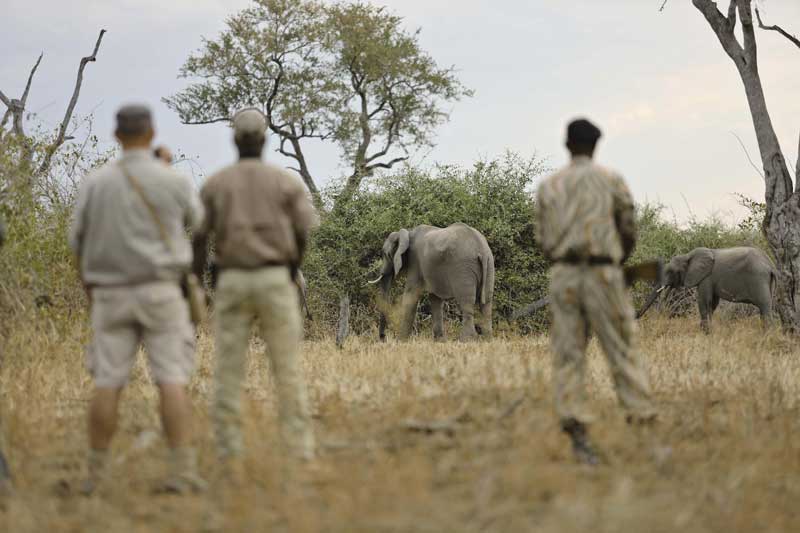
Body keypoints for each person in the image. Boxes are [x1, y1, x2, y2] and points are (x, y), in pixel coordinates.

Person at [68, 104, 206, 494]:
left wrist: (90, 289)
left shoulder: (96, 182)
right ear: (151, 133)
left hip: (110, 292)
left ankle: (96, 475)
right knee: (172, 380)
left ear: (116, 136)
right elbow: (198, 222)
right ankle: (181, 472)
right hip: (162, 291)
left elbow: (77, 241)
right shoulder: (172, 180)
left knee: (108, 381)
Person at [193, 108, 316, 481]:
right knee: (287, 366)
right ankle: (298, 450)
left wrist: (198, 283)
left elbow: (199, 237)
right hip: (277, 278)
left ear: (234, 140)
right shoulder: (286, 182)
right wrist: (292, 266)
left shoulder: (216, 183)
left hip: (231, 281)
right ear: (265, 140)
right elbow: (304, 230)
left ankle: (230, 453)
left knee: (228, 370)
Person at [535, 118, 656, 465]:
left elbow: (543, 238)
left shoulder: (549, 185)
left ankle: (577, 432)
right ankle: (641, 422)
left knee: (568, 353)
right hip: (605, 272)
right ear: (595, 145)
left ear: (567, 144)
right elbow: (629, 226)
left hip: (564, 275)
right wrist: (616, 259)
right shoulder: (611, 179)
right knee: (621, 348)